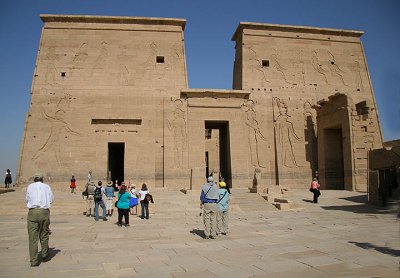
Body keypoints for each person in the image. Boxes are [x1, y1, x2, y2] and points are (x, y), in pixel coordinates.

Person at [26, 173, 54, 267]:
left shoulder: (30, 187)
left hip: (32, 212)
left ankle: (33, 261)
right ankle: (45, 255)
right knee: (44, 234)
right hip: (44, 212)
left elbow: (27, 199)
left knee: (32, 238)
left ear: (34, 179)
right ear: (42, 179)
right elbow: (51, 200)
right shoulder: (47, 187)